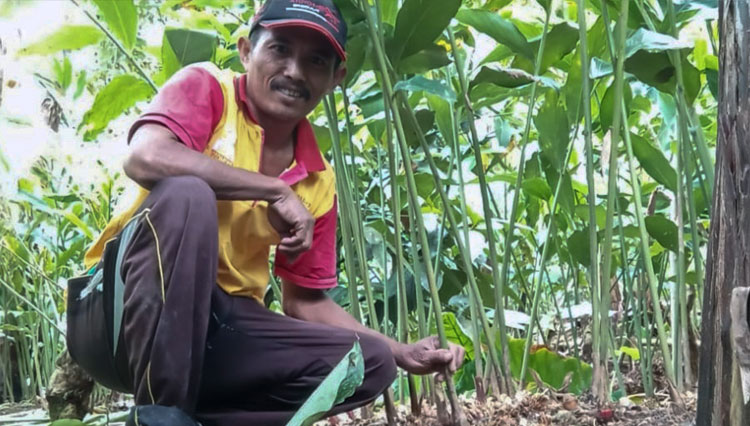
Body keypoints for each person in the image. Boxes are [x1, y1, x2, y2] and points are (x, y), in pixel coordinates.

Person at [70, 0, 465, 424]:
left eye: (315, 60)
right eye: (279, 49)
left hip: (216, 336)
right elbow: (145, 156)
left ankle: (185, 420)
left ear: (336, 78)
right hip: (117, 313)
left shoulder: (319, 182)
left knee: (367, 362)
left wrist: (401, 351)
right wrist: (272, 190)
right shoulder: (209, 88)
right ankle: (160, 415)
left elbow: (304, 303)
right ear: (245, 52)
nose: (295, 71)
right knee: (188, 195)